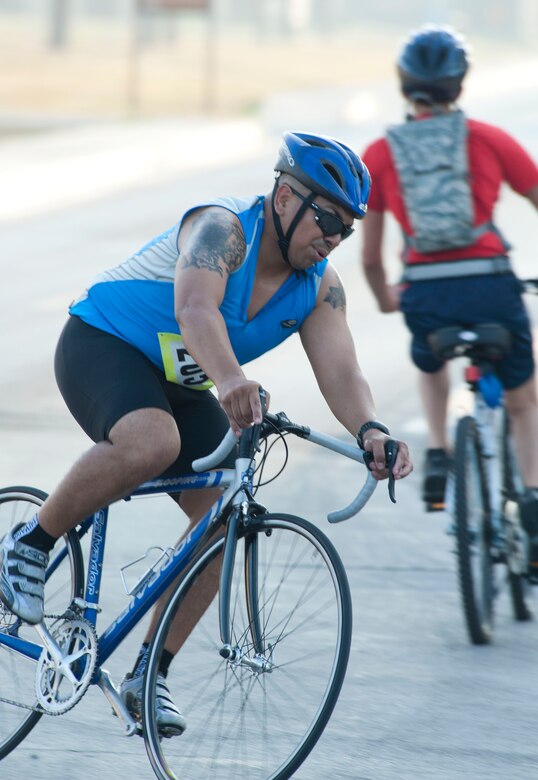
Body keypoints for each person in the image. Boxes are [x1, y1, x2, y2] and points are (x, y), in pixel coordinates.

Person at [0, 130, 413, 734]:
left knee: (223, 520)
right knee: (151, 441)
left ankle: (149, 674)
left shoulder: (320, 286)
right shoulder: (222, 230)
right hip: (104, 343)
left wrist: (371, 430)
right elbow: (196, 310)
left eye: (345, 229)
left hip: (180, 379)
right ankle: (30, 544)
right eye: (325, 217)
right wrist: (231, 381)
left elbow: (343, 368)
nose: (332, 236)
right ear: (284, 198)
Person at [360, 26, 538, 571]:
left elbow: (370, 256)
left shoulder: (381, 154)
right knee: (524, 399)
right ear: (459, 84)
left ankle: (438, 450)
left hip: (426, 293)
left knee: (431, 354)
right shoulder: (488, 139)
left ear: (404, 84)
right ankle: (531, 499)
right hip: (489, 284)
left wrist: (388, 298)